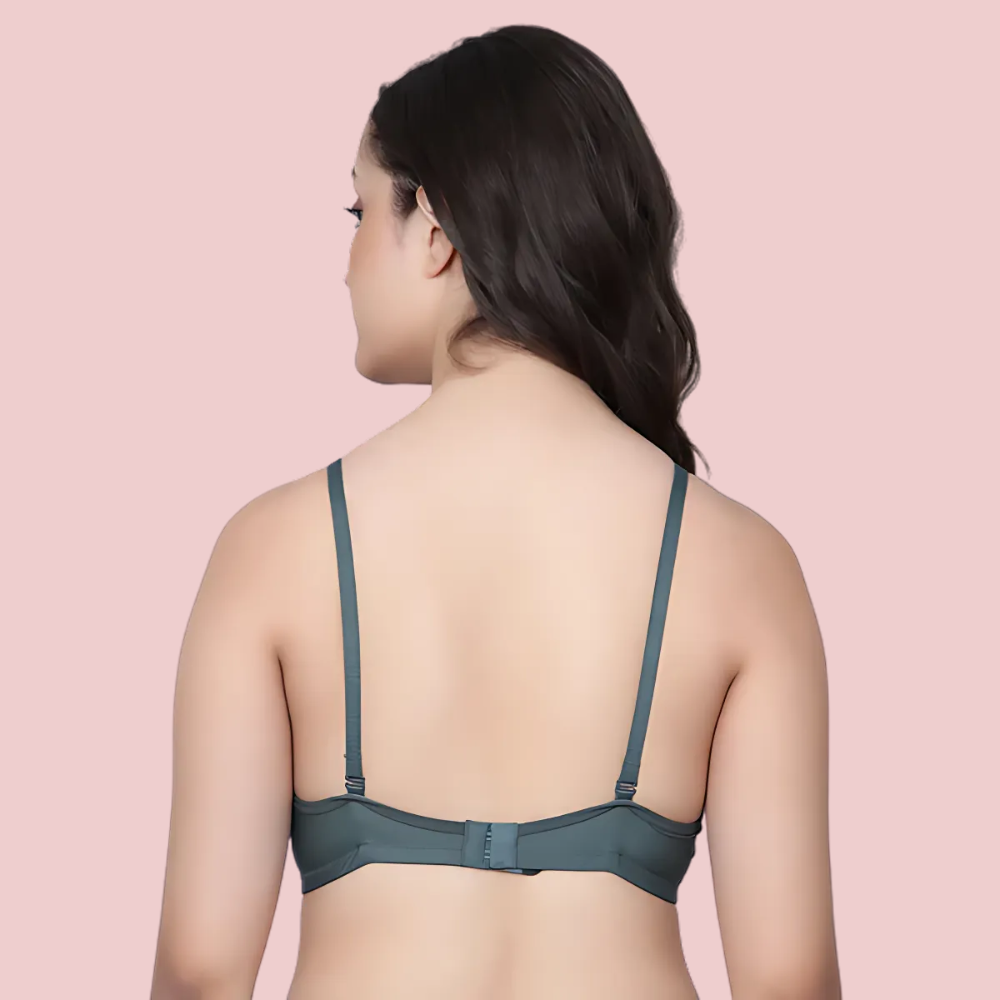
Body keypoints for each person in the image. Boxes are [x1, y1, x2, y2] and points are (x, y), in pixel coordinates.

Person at [150, 24, 841, 1000]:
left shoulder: (274, 548)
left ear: (434, 229)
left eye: (359, 210)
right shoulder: (741, 561)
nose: (345, 261)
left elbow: (201, 969)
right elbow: (788, 978)